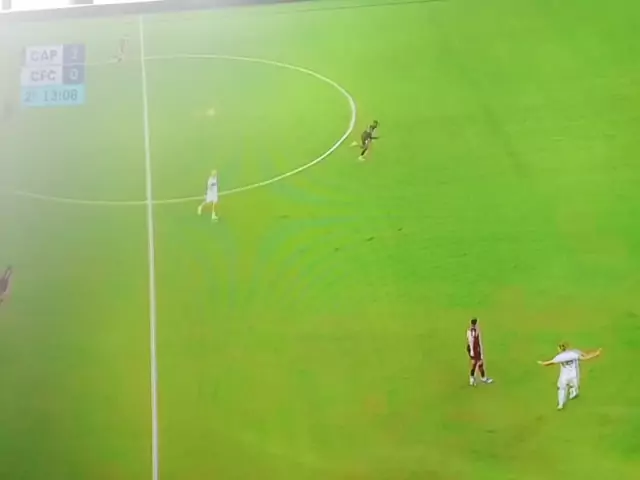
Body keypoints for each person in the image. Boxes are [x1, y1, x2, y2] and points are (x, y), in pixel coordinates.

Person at [538, 342, 602, 410]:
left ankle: (560, 405)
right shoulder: (573, 354)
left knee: (561, 389)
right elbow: (585, 358)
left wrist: (542, 363)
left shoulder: (559, 357)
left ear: (560, 349)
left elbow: (549, 363)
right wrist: (595, 354)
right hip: (574, 375)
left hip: (564, 376)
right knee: (575, 386)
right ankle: (573, 392)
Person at [466, 318, 494, 386]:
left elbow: (469, 341)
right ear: (476, 324)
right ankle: (482, 378)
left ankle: (472, 379)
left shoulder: (469, 331)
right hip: (475, 350)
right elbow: (473, 342)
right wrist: (475, 352)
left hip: (471, 349)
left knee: (475, 363)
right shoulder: (475, 332)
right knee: (478, 363)